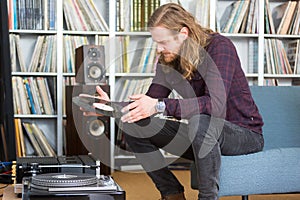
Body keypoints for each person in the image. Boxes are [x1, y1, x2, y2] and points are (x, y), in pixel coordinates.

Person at [92, 3, 264, 200]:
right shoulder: (168, 59)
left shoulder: (219, 47)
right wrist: (110, 107)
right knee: (135, 122)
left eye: (163, 42)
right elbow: (149, 101)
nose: (159, 48)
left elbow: (215, 105)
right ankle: (171, 193)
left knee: (201, 121)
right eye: (156, 42)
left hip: (243, 135)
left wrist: (160, 106)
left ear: (183, 33)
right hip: (201, 134)